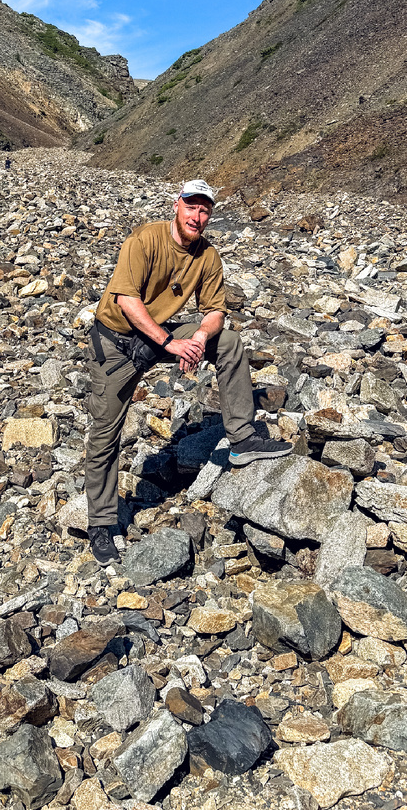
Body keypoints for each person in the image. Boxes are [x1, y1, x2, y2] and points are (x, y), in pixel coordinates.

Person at [84, 178, 292, 567]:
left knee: (227, 342)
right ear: (176, 205)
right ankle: (100, 523)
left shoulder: (207, 256)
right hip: (117, 343)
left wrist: (197, 337)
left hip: (158, 335)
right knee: (105, 434)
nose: (197, 216)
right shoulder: (145, 240)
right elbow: (127, 300)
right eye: (191, 206)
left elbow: (215, 311)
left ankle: (242, 439)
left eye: (204, 209)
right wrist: (170, 342)